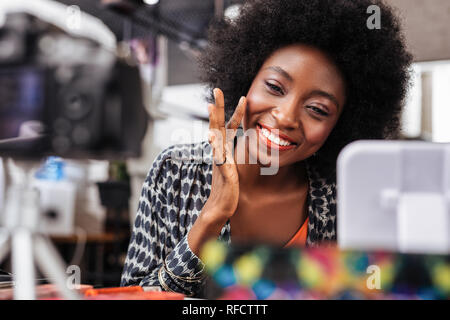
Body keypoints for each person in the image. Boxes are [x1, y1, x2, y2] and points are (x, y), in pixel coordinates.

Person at [121, 0, 412, 297]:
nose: (285, 116)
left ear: (341, 125)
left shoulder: (340, 198)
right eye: (274, 87)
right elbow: (131, 296)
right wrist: (211, 217)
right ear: (246, 80)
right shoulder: (176, 172)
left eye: (317, 109)